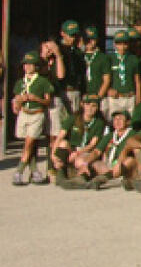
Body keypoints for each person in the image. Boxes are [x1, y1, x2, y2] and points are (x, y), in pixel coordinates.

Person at [11, 51, 55, 185]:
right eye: (26, 65)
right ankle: (35, 171)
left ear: (36, 66)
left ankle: (19, 171)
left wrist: (36, 98)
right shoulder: (20, 82)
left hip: (37, 114)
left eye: (31, 65)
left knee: (29, 143)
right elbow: (15, 100)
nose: (28, 67)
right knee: (29, 144)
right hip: (24, 113)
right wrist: (18, 101)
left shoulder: (43, 81)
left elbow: (48, 102)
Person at [53, 94, 106, 188]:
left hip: (84, 150)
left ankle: (82, 181)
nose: (90, 108)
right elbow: (60, 137)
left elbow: (92, 144)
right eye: (87, 105)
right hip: (71, 148)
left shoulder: (99, 122)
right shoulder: (74, 117)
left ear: (98, 108)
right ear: (83, 105)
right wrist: (53, 154)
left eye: (94, 106)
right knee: (62, 144)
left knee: (81, 161)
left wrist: (78, 153)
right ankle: (60, 176)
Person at [80, 26, 111, 107]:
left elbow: (106, 80)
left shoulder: (103, 57)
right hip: (83, 97)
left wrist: (98, 97)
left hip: (99, 96)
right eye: (87, 40)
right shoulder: (79, 56)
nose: (90, 42)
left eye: (93, 39)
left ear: (97, 40)